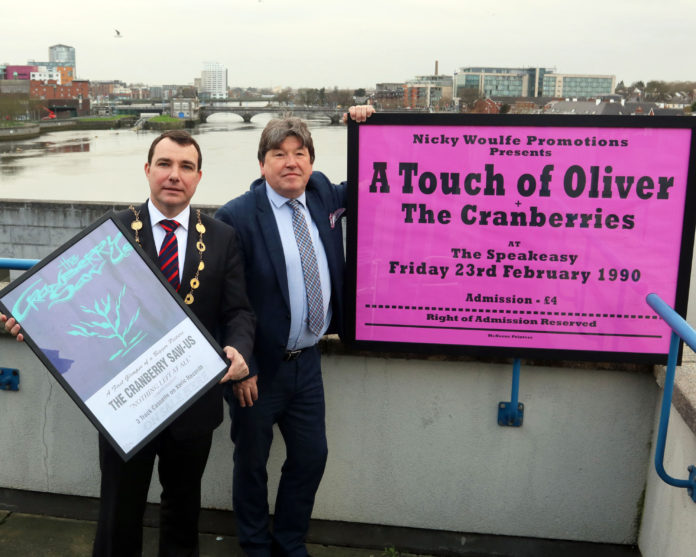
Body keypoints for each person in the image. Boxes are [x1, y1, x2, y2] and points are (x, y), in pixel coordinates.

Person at [3, 130, 256, 557]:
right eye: (164, 164)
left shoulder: (221, 237)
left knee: (183, 510)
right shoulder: (111, 233)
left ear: (198, 178)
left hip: (194, 401)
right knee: (119, 510)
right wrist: (36, 324)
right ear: (147, 170)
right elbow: (72, 305)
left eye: (185, 167)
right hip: (124, 405)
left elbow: (239, 312)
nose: (174, 175)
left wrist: (240, 349)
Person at [215, 105, 374, 557]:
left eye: (300, 153)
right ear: (262, 163)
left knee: (310, 458)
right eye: (280, 154)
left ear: (311, 161)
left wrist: (365, 124)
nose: (291, 162)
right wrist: (242, 367)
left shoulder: (322, 195)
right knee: (251, 464)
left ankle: (288, 543)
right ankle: (254, 546)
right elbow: (228, 302)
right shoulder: (237, 217)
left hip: (308, 364)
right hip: (257, 370)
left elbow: (370, 184)